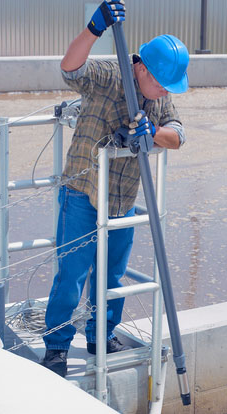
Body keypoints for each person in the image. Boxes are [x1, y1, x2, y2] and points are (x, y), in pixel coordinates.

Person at [41, 0, 189, 377]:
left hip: (122, 200)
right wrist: (94, 29)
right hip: (82, 191)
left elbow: (179, 134)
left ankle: (100, 336)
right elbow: (70, 70)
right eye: (158, 81)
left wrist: (154, 132)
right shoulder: (109, 75)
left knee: (112, 275)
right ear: (140, 67)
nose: (161, 91)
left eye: (166, 86)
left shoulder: (160, 97)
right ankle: (57, 346)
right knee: (71, 273)